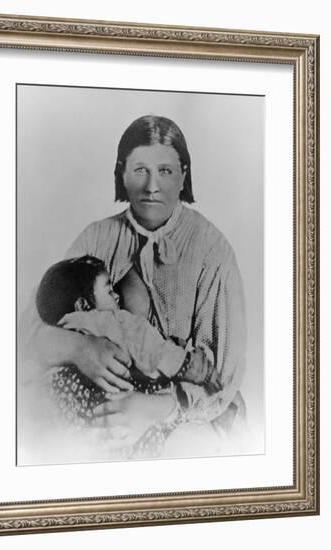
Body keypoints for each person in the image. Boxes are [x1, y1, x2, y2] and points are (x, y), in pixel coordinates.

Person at [20, 114, 247, 456]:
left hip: (190, 421)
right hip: (103, 410)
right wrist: (79, 349)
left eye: (165, 171)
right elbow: (27, 337)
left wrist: (156, 408)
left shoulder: (213, 251)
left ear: (184, 175)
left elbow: (224, 377)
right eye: (140, 170)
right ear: (122, 174)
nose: (151, 186)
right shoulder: (97, 237)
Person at [35, 254, 222, 432]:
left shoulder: (63, 332)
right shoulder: (111, 320)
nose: (116, 297)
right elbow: (148, 346)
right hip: (118, 405)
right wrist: (191, 367)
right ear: (83, 305)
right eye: (109, 291)